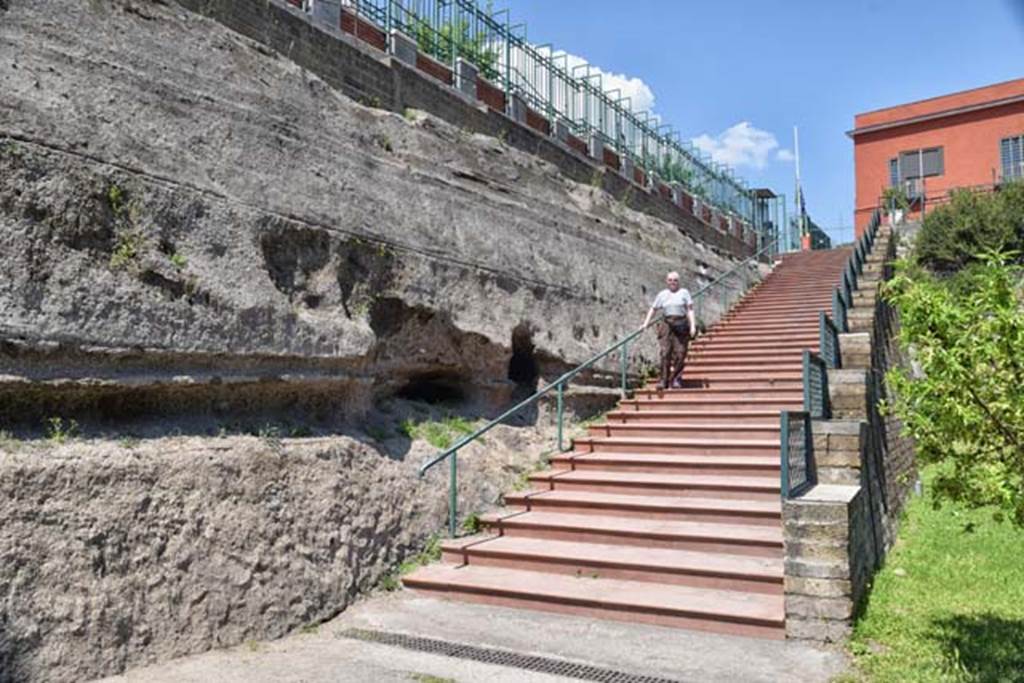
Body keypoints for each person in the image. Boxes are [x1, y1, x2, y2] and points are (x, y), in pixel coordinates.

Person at [642, 271, 697, 390]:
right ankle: (663, 380)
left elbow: (690, 310)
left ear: (679, 282)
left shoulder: (684, 292)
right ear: (667, 281)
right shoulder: (662, 294)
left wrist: (693, 325)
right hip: (667, 324)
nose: (673, 282)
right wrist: (646, 323)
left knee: (681, 352)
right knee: (664, 352)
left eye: (675, 280)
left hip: (681, 323)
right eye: (670, 280)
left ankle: (676, 379)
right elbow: (653, 309)